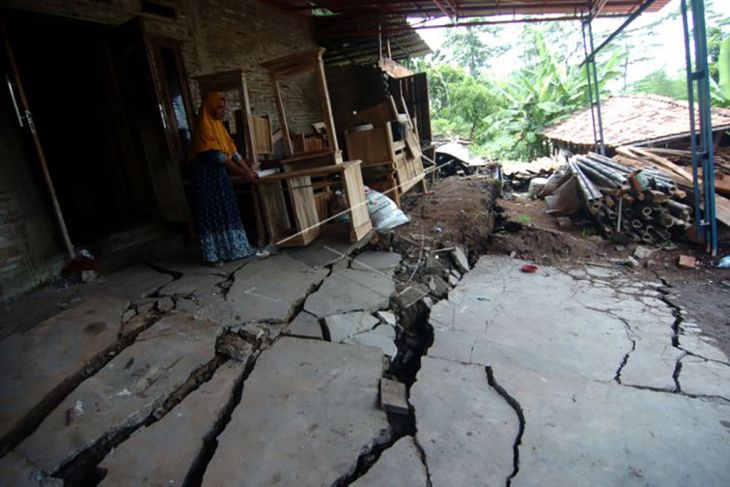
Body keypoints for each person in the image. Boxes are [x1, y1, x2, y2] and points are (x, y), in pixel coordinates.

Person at [188, 92, 259, 266]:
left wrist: (247, 169)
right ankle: (214, 256)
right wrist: (243, 173)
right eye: (219, 108)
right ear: (210, 108)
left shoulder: (219, 126)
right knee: (213, 213)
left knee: (227, 208)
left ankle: (235, 250)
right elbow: (217, 156)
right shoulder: (204, 128)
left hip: (219, 176)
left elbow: (232, 151)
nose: (222, 111)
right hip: (205, 178)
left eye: (223, 108)